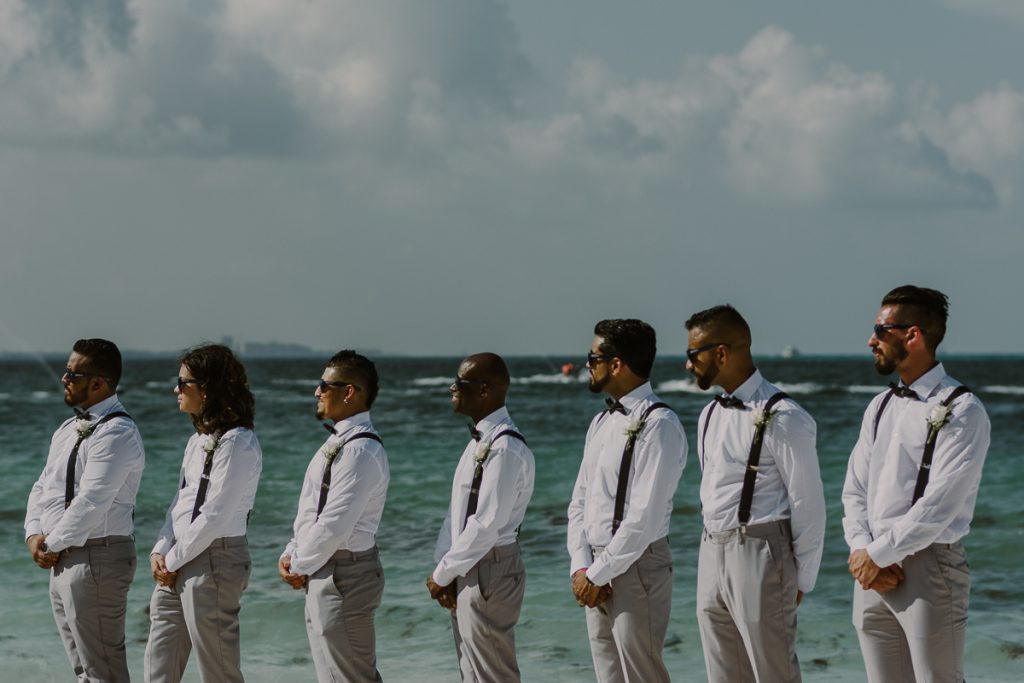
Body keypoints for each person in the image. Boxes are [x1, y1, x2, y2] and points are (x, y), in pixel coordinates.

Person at [842, 285, 990, 683]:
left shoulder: (963, 410)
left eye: (881, 330)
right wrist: (861, 550)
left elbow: (939, 504)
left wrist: (877, 555)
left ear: (912, 335)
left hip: (929, 567)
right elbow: (854, 488)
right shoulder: (880, 405)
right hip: (871, 570)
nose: (871, 340)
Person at [684, 305, 826, 683]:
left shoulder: (785, 416)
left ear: (721, 353)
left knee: (774, 672)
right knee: (722, 673)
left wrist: (802, 579)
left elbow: (808, 504)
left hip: (761, 551)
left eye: (693, 354)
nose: (688, 364)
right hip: (711, 550)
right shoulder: (708, 414)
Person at [567, 319, 687, 683]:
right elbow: (579, 502)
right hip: (594, 566)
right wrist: (581, 566)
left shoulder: (660, 424)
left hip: (638, 565)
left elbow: (644, 518)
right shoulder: (600, 423)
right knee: (608, 676)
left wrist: (598, 573)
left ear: (616, 363)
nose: (587, 364)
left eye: (593, 357)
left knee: (643, 674)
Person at [25, 338, 145, 683]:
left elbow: (92, 501)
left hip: (97, 556)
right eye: (66, 371)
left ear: (99, 383)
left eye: (73, 374)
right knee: (84, 672)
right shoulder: (66, 429)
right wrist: (33, 534)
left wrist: (51, 544)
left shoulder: (118, 431)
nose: (64, 379)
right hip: (64, 556)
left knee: (103, 671)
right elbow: (42, 485)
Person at [144, 344, 263, 683]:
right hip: (178, 558)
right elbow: (180, 501)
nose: (176, 390)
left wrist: (173, 561)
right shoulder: (197, 441)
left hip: (215, 559)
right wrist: (160, 549)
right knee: (158, 666)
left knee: (219, 671)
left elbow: (215, 514)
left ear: (208, 388)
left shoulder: (239, 443)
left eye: (183, 383)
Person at [279, 350, 389, 683]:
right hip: (323, 568)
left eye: (324, 385)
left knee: (354, 677)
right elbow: (311, 508)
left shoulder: (361, 450)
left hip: (346, 573)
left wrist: (299, 564)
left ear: (349, 392)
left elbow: (335, 523)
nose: (317, 392)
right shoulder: (339, 442)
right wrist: (292, 550)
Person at [426, 353, 536, 682]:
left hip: (490, 566)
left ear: (484, 390)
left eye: (460, 383)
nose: (452, 388)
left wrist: (444, 572)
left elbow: (487, 523)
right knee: (471, 672)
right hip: (467, 563)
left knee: (493, 673)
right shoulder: (479, 442)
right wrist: (445, 566)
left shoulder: (505, 449)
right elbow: (457, 513)